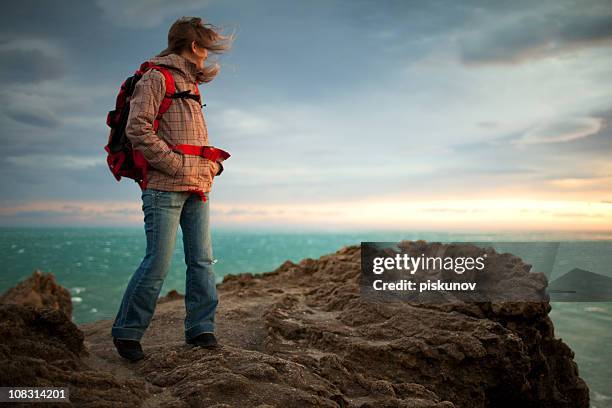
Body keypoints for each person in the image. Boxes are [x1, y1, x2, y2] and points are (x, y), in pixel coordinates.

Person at [110, 16, 235, 362]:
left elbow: (192, 139)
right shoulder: (155, 78)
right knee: (157, 264)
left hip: (198, 187)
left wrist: (211, 167)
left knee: (202, 262)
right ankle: (127, 333)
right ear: (194, 46)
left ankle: (201, 328)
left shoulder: (191, 85)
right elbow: (138, 129)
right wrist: (176, 165)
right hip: (164, 187)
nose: (207, 56)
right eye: (206, 48)